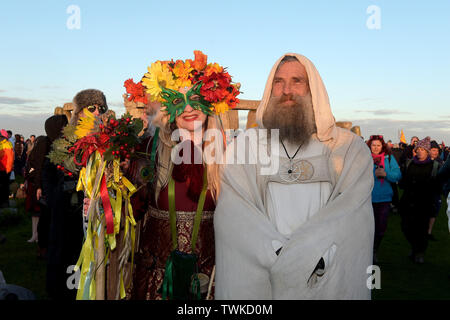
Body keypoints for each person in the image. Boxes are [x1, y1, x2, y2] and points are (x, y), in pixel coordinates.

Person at [214, 54, 374, 299]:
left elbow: (351, 214)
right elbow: (235, 211)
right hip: (264, 271)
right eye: (279, 81)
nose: (287, 90)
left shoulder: (348, 148)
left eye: (297, 80)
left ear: (313, 90)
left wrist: (311, 256)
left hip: (322, 271)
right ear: (270, 89)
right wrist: (276, 253)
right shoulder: (245, 146)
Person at [129, 51, 238, 300]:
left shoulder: (229, 158)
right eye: (179, 101)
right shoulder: (151, 152)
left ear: (210, 105)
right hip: (156, 276)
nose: (188, 108)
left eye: (196, 100)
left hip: (209, 278)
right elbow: (131, 203)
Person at [42, 114, 84, 299]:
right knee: (62, 252)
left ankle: (72, 288)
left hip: (78, 210)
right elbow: (48, 178)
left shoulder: (77, 145)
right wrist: (57, 195)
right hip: (62, 210)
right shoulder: (56, 149)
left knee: (76, 253)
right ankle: (61, 289)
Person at [398, 136, 441, 264]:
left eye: (423, 149)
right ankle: (414, 247)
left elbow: (438, 186)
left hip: (424, 203)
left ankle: (419, 253)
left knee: (421, 229)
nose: (420, 151)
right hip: (408, 201)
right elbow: (403, 182)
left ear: (427, 151)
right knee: (406, 227)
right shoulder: (409, 163)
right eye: (419, 149)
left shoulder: (434, 166)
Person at [367, 135, 401, 263]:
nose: (375, 148)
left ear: (382, 146)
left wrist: (386, 174)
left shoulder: (389, 158)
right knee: (367, 228)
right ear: (369, 146)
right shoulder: (364, 158)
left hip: (384, 198)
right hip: (367, 198)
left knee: (380, 228)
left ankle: (374, 249)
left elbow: (398, 175)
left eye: (378, 145)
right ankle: (366, 250)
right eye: (373, 145)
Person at [428, 140, 444, 240]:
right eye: (433, 150)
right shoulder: (424, 161)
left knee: (434, 211)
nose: (436, 152)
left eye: (437, 150)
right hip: (426, 191)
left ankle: (429, 232)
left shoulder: (440, 162)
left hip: (436, 191)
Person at [0, 129, 14, 209]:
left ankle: (4, 203)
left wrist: (7, 170)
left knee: (4, 187)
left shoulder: (6, 145)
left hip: (4, 170)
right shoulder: (4, 144)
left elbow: (10, 159)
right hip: (4, 169)